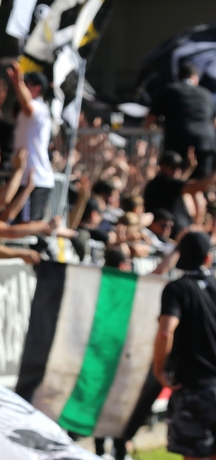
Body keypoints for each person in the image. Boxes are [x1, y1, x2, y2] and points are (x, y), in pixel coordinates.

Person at [153, 232, 216, 460]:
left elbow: (165, 330)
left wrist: (159, 370)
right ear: (207, 258)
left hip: (194, 388)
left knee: (194, 455)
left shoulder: (177, 289)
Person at [148, 62, 216, 180]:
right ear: (195, 77)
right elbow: (214, 122)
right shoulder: (205, 94)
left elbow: (150, 120)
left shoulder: (168, 90)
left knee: (175, 182)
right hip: (206, 143)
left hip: (179, 141)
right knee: (202, 183)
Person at [7, 62, 54, 222]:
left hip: (35, 178)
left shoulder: (39, 108)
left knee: (27, 227)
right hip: (26, 178)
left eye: (26, 84)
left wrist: (17, 82)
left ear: (37, 89)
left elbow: (28, 106)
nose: (22, 87)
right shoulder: (26, 111)